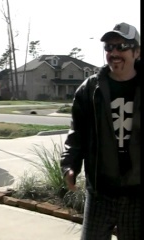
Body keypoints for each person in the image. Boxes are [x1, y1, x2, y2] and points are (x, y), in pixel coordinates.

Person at [60, 22, 141, 240]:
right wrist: (70, 165)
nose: (114, 52)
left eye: (121, 46)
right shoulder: (89, 89)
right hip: (100, 194)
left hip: (137, 196)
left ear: (137, 51)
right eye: (109, 47)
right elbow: (77, 135)